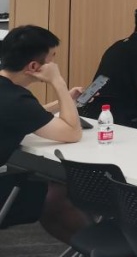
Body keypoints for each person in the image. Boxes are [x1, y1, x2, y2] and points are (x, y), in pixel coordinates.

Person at [0, 25, 87, 242]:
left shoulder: (9, 94)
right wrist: (58, 82)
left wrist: (63, 102)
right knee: (56, 195)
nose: (55, 65)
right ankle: (103, 252)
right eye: (52, 58)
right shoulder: (17, 100)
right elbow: (72, 132)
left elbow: (29, 115)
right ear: (34, 66)